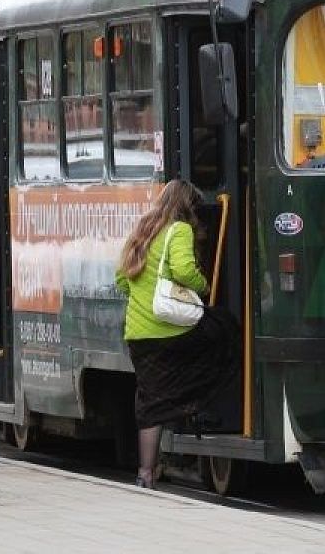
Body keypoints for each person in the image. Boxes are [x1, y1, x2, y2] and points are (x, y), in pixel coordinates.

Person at [115, 179, 237, 488]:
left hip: (138, 334)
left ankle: (145, 474)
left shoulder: (143, 229)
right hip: (170, 329)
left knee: (151, 401)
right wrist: (203, 285)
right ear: (188, 206)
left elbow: (120, 278)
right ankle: (194, 405)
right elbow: (183, 271)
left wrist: (143, 295)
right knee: (225, 329)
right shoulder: (178, 229)